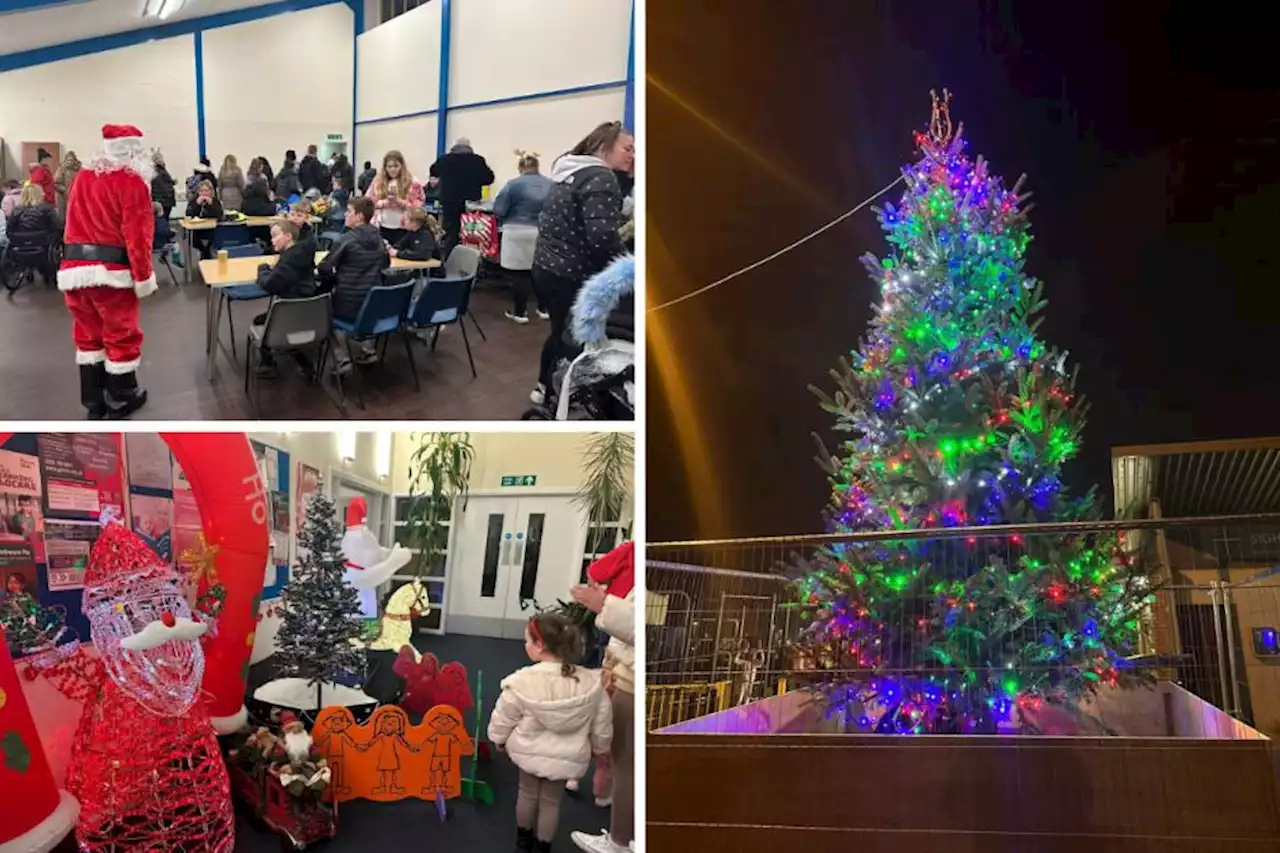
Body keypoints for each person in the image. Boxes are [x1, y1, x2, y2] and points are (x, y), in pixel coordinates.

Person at [488, 612, 612, 853]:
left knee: (527, 794)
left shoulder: (522, 682)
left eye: (527, 641)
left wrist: (498, 738)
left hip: (528, 751)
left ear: (539, 645)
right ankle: (543, 847)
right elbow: (602, 720)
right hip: (567, 757)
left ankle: (523, 843)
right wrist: (600, 747)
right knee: (551, 803)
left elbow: (505, 715)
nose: (525, 645)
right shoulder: (590, 683)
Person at [58, 123, 158, 419]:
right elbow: (138, 237)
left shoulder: (83, 177)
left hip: (74, 268)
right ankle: (121, 398)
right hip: (111, 273)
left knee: (87, 335)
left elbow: (70, 221)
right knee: (120, 333)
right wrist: (142, 278)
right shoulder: (133, 182)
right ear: (134, 151)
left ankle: (93, 401)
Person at [529, 122, 633, 405]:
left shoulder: (569, 171)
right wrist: (628, 268)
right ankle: (561, 391)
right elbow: (602, 237)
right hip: (571, 273)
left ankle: (544, 387)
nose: (632, 154)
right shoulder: (601, 176)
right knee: (573, 337)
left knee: (559, 330)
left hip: (546, 267)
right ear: (603, 148)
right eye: (627, 148)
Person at [569, 542, 635, 853]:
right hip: (621, 671)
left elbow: (642, 625)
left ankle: (620, 840)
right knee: (615, 756)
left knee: (623, 762)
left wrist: (604, 604)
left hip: (630, 680)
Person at [318, 195, 387, 372]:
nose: (345, 215)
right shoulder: (379, 238)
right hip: (374, 304)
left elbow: (325, 267)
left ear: (359, 216)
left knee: (325, 310)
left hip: (348, 305)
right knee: (365, 304)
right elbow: (386, 264)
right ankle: (367, 350)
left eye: (349, 212)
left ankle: (341, 359)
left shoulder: (346, 240)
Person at [250, 219, 318, 378]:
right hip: (311, 315)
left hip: (289, 318)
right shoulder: (305, 253)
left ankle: (268, 364)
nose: (272, 240)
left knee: (261, 321)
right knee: (284, 319)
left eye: (275, 236)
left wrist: (263, 270)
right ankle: (304, 363)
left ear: (288, 236)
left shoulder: (287, 261)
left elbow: (269, 285)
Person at [494, 150, 553, 324]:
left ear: (520, 167)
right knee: (540, 271)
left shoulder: (512, 184)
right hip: (542, 231)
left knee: (519, 274)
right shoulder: (551, 184)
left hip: (516, 230)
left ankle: (520, 313)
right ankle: (543, 309)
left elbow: (499, 209)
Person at [428, 137, 494, 256]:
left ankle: (448, 261)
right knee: (471, 234)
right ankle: (470, 262)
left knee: (451, 235)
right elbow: (489, 178)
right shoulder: (477, 160)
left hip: (450, 204)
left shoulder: (445, 160)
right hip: (471, 206)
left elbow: (433, 171)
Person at [364, 150, 424, 246]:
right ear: (385, 167)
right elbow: (367, 202)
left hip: (404, 228)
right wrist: (383, 203)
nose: (392, 169)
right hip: (382, 226)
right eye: (389, 166)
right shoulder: (377, 181)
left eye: (396, 166)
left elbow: (419, 207)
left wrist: (401, 202)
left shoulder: (413, 182)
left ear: (402, 166)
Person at [6, 183, 61, 282]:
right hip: (43, 243)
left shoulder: (16, 210)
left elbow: (10, 230)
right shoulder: (46, 209)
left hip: (21, 244)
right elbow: (57, 226)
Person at [185, 180, 223, 259]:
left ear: (211, 191)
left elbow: (219, 215)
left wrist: (211, 205)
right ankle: (205, 252)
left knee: (215, 238)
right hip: (197, 230)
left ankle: (205, 254)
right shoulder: (193, 201)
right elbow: (188, 214)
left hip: (212, 229)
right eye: (201, 191)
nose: (204, 193)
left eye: (206, 191)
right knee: (195, 240)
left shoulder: (215, 201)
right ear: (198, 192)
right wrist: (197, 205)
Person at [54, 151, 82, 219]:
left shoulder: (79, 169)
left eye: (72, 160)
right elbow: (56, 183)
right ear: (65, 160)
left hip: (77, 195)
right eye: (68, 160)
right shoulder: (61, 169)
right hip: (64, 196)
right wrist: (65, 190)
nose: (70, 161)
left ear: (75, 160)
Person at [150, 151, 177, 218]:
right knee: (163, 220)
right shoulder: (162, 171)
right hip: (166, 200)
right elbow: (164, 184)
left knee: (160, 221)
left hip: (159, 200)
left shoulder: (153, 171)